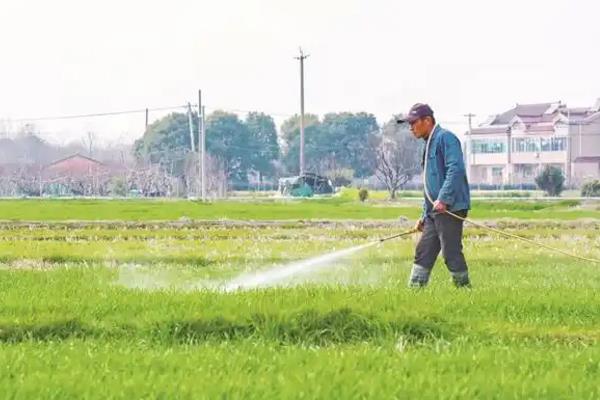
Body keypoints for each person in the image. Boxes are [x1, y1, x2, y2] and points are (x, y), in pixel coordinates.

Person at [397, 103, 471, 288]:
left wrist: (444, 198)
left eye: (414, 123)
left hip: (450, 207)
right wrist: (424, 215)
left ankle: (465, 291)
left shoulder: (446, 138)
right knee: (424, 251)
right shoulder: (428, 144)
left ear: (427, 121)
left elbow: (456, 169)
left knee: (451, 253)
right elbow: (430, 185)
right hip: (434, 211)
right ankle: (414, 291)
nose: (411, 127)